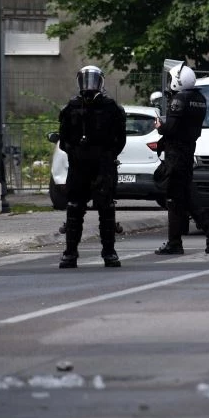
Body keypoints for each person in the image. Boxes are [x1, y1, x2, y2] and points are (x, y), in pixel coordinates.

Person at [58, 65, 127, 268]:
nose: (89, 85)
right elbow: (64, 140)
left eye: (93, 80)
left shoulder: (110, 107)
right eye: (86, 80)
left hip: (102, 166)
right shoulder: (71, 107)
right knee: (74, 208)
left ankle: (109, 252)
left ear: (101, 82)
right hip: (79, 165)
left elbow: (120, 139)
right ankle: (70, 253)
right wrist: (75, 153)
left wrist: (107, 156)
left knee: (106, 208)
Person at [154, 62, 209, 255]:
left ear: (178, 81)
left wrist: (160, 126)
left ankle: (208, 231)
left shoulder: (180, 99)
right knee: (180, 197)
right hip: (187, 152)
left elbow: (171, 128)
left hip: (176, 155)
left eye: (171, 80)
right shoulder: (199, 98)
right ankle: (178, 241)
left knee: (177, 197)